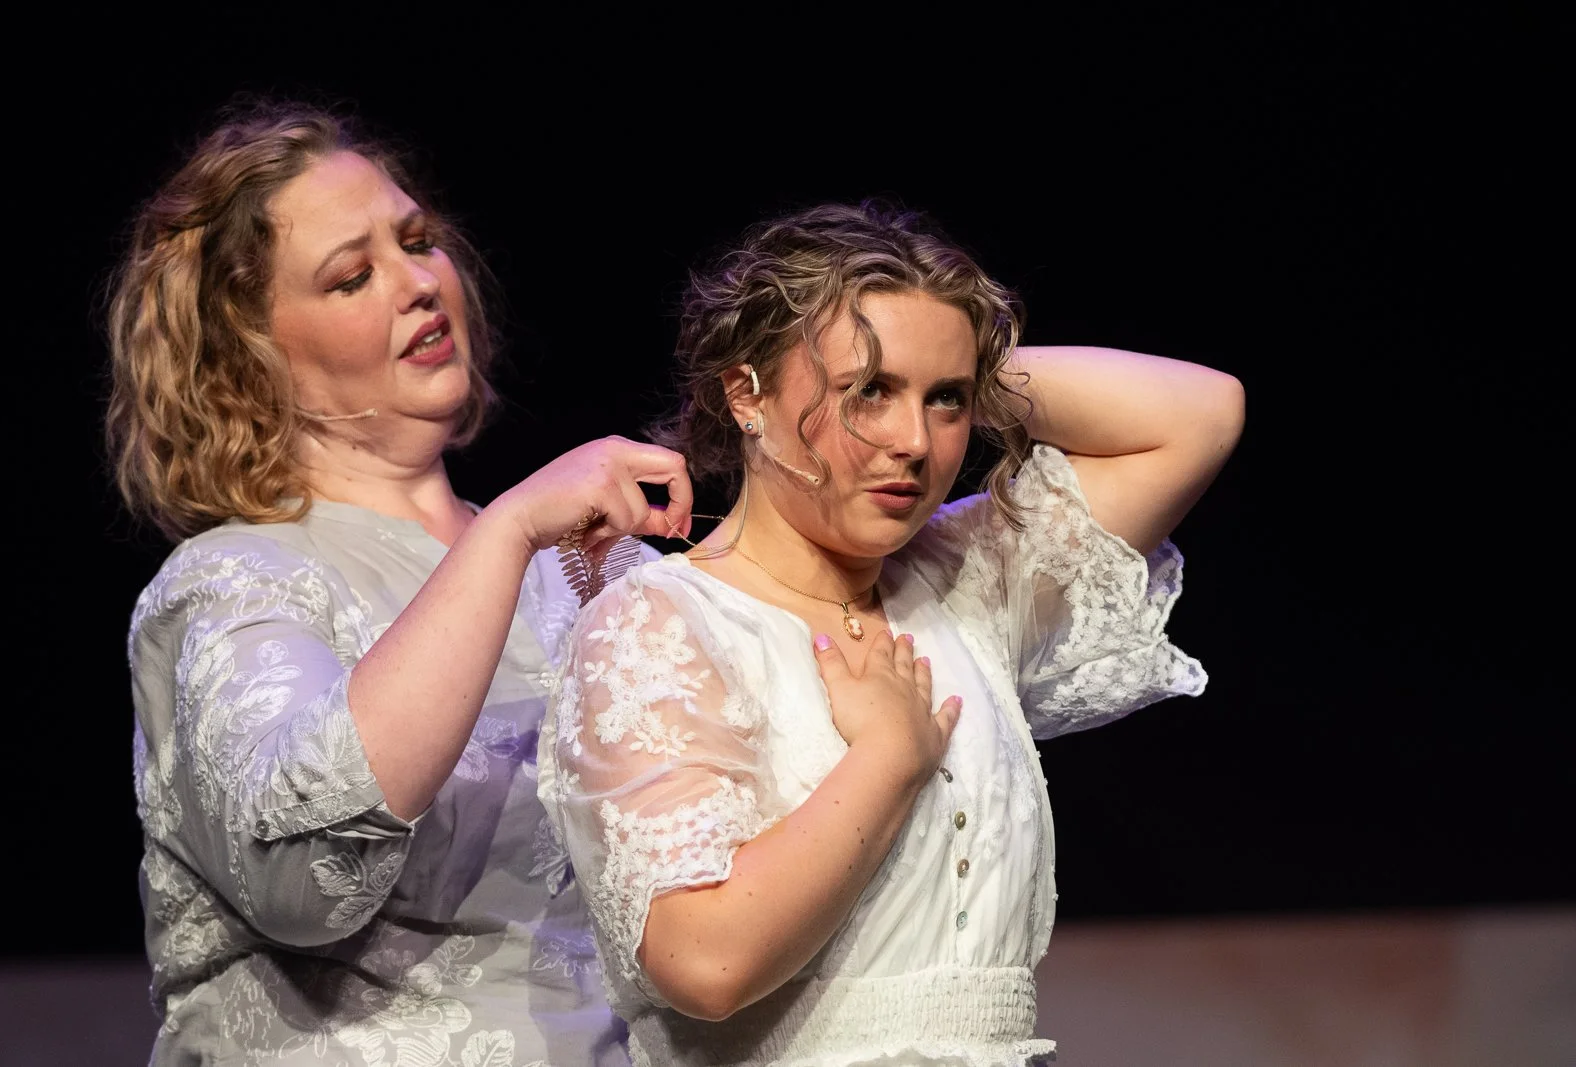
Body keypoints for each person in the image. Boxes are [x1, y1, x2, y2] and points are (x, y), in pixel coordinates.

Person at [537, 201, 1246, 1065]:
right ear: (745, 392)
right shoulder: (661, 621)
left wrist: (954, 352)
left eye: (945, 400)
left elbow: (1199, 415)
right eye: (869, 390)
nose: (915, 441)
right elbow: (704, 959)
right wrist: (886, 757)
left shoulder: (961, 582)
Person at [108, 101, 689, 1065]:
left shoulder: (592, 569)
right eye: (353, 276)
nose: (420, 282)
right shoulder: (226, 584)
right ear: (246, 359)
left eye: (418, 242)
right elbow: (304, 875)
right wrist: (505, 529)